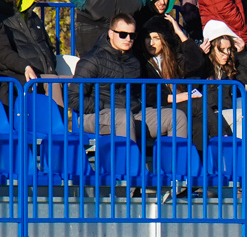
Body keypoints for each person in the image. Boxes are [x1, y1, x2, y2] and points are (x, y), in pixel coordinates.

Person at [70, 13, 187, 142]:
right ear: (111, 34)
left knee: (177, 117)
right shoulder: (92, 60)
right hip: (96, 115)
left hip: (132, 113)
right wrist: (103, 105)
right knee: (124, 118)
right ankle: (129, 162)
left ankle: (175, 162)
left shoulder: (134, 62)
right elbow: (74, 98)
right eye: (122, 34)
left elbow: (139, 93)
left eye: (132, 35)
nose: (128, 39)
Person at [138, 14, 216, 151]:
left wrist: (180, 32)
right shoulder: (141, 63)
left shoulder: (172, 59)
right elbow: (147, 93)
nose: (151, 42)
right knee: (197, 104)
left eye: (156, 38)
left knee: (198, 125)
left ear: (164, 40)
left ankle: (197, 167)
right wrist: (178, 97)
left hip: (175, 106)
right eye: (148, 38)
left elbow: (196, 62)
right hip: (158, 108)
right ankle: (224, 142)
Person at [0, 0, 60, 106]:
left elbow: (1, 50)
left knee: (79, 82)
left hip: (35, 72)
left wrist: (25, 67)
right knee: (53, 83)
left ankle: (58, 124)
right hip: (15, 74)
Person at [200, 19, 247, 145]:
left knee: (243, 118)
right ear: (210, 47)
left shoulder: (230, 67)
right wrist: (199, 55)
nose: (226, 54)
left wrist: (243, 54)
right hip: (207, 115)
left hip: (226, 114)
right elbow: (189, 77)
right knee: (244, 116)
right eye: (221, 49)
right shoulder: (202, 65)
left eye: (229, 49)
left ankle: (246, 156)